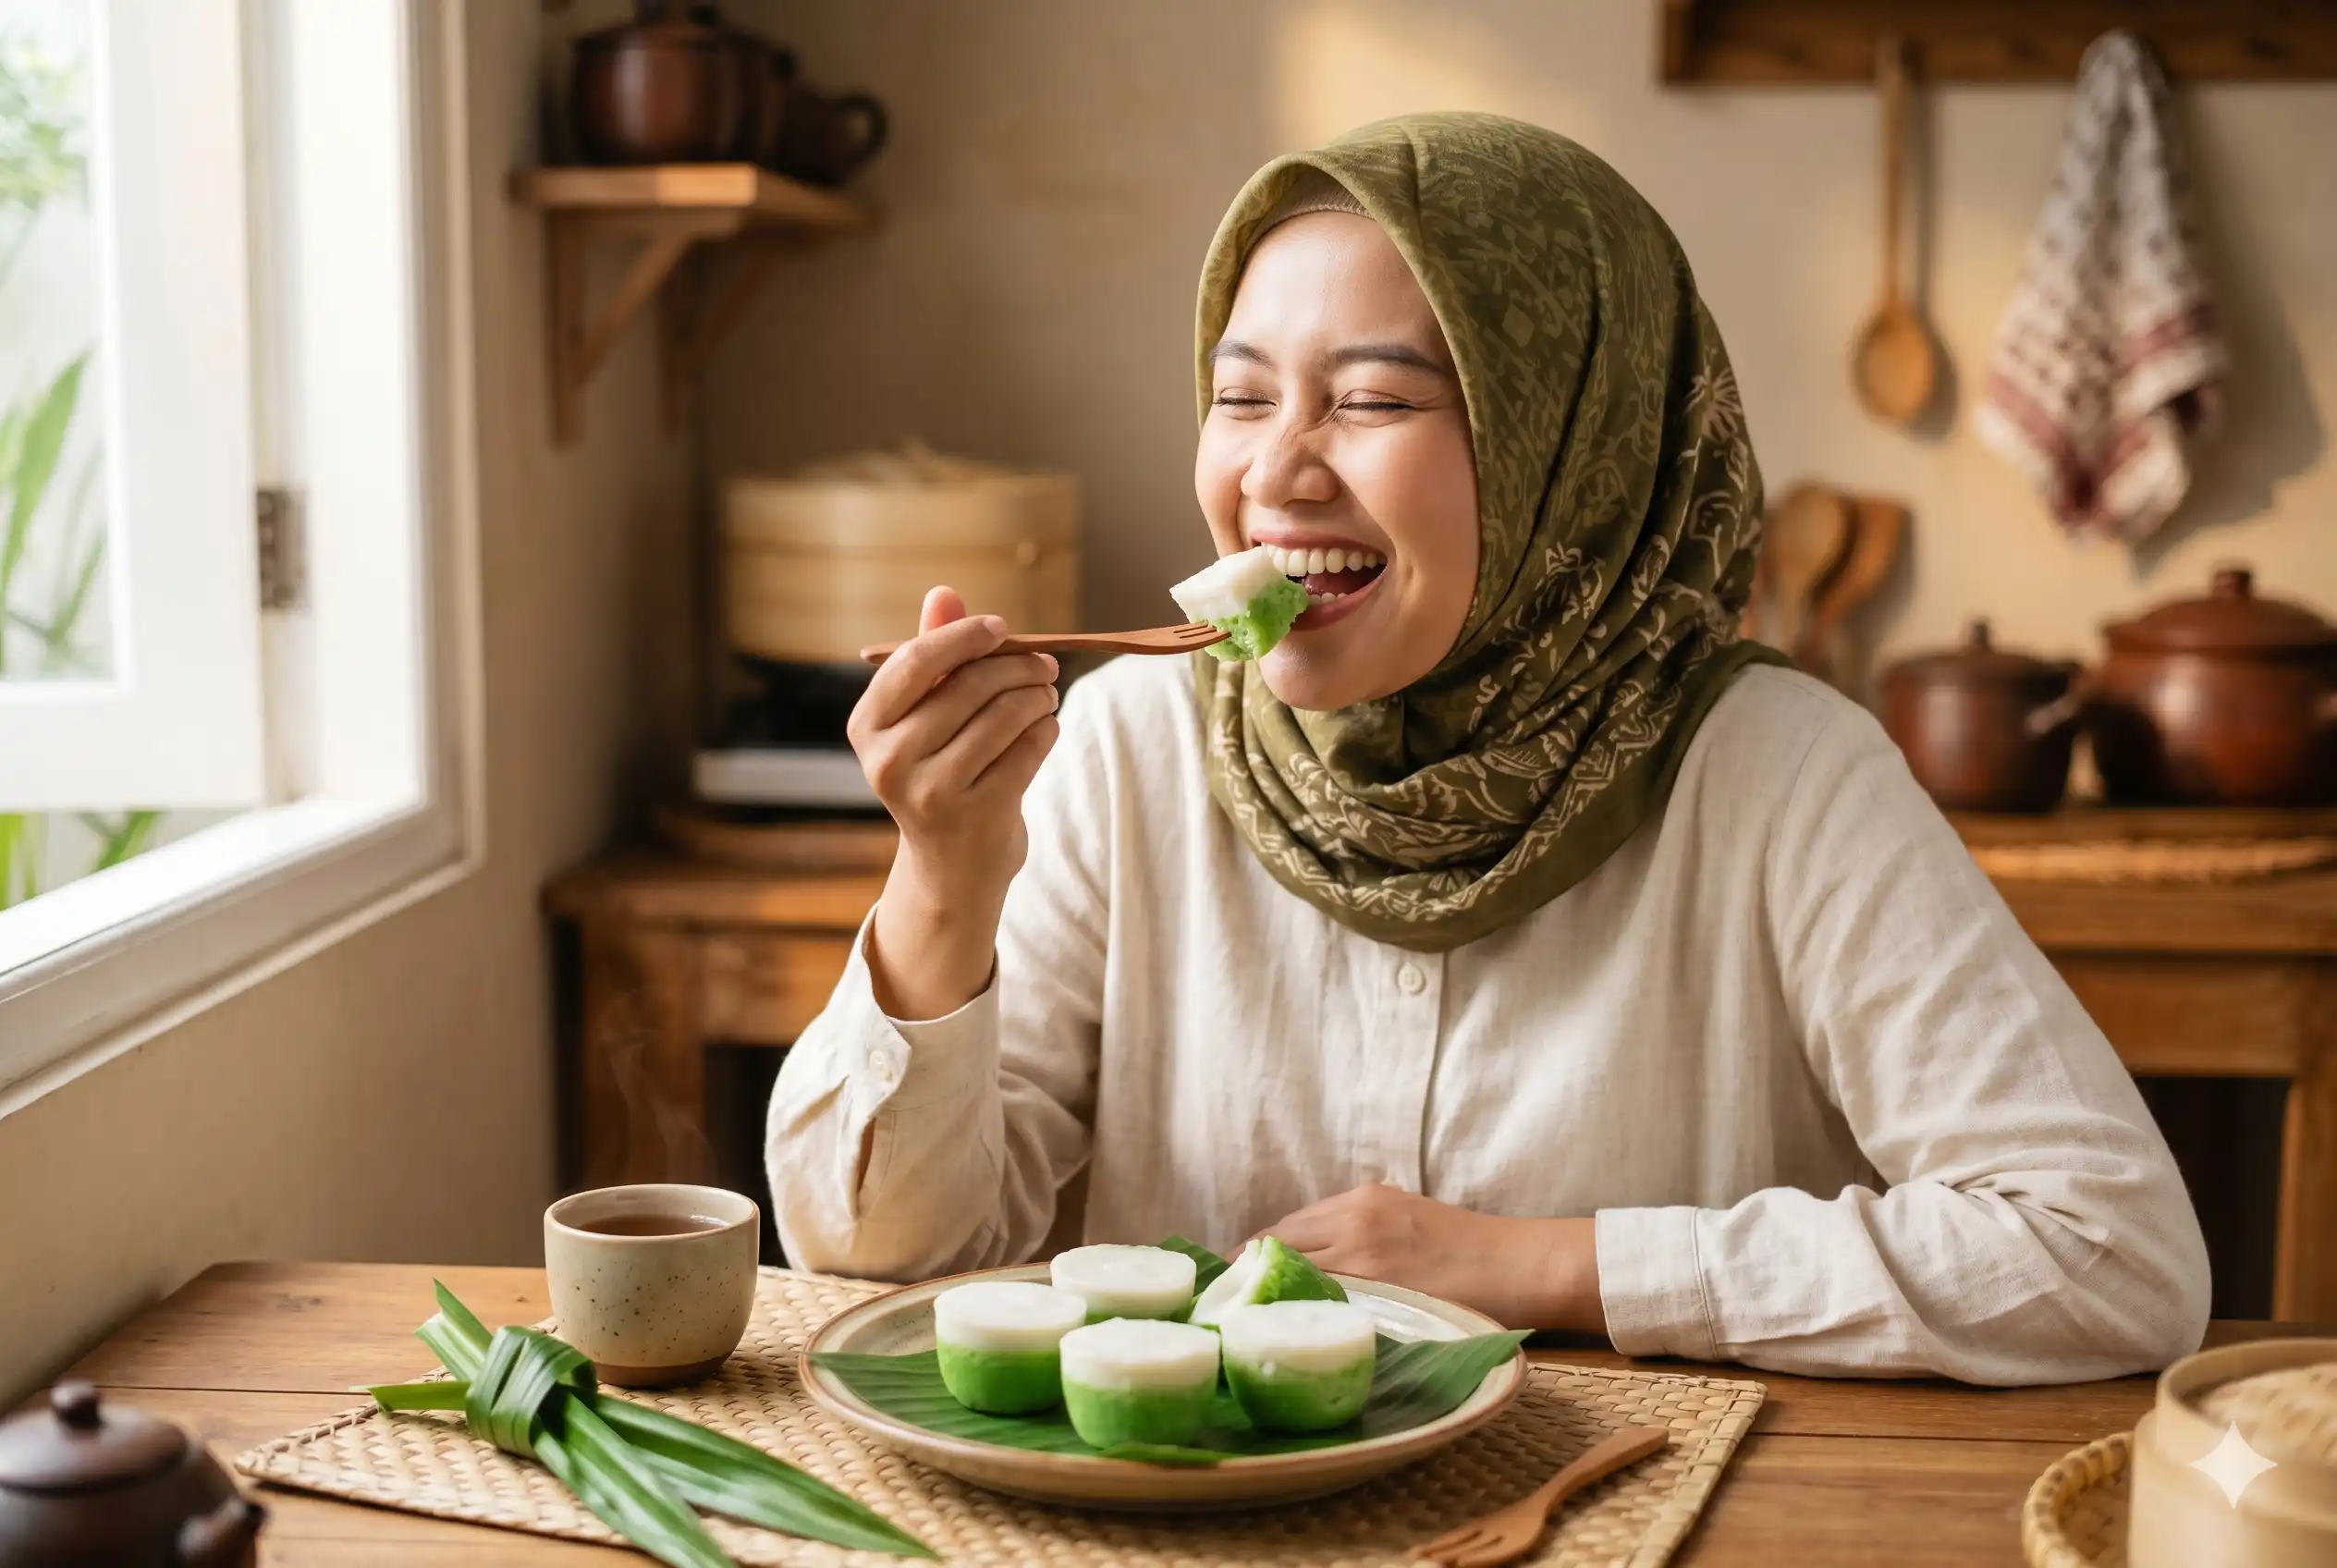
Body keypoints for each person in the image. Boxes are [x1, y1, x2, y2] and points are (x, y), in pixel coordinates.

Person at [765, 113, 2209, 1384]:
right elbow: (878, 1258)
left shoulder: (1776, 771)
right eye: (1243, 393)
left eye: (1376, 400)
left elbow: (2109, 1253)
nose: (1274, 471)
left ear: (1562, 447)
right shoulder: (1135, 742)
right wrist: (945, 879)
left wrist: (1543, 1268)